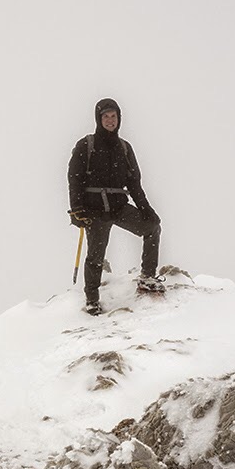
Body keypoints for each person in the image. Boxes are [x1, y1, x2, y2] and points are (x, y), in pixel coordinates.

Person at [68, 98, 164, 315]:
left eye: (114, 116)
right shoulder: (87, 145)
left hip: (119, 207)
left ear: (119, 119)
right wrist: (77, 209)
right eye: (106, 117)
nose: (110, 120)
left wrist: (146, 208)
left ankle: (147, 278)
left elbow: (134, 183)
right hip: (94, 211)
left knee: (152, 228)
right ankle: (92, 300)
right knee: (95, 256)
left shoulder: (125, 148)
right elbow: (75, 178)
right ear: (98, 119)